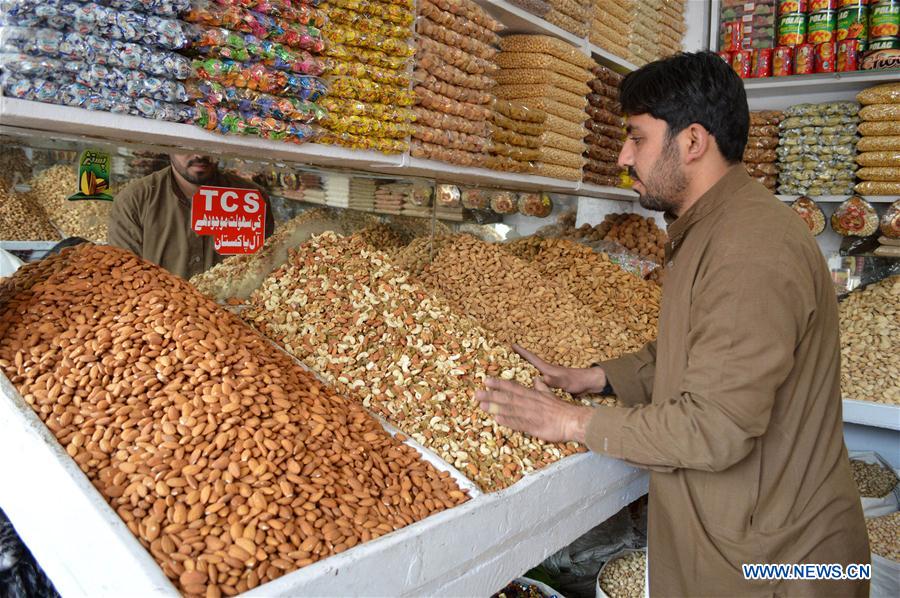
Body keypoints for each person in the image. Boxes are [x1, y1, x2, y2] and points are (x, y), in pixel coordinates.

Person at [476, 52, 869, 597]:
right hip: (751, 544)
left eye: (636, 138)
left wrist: (572, 423)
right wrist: (597, 379)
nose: (622, 155)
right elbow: (700, 351)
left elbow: (715, 428)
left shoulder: (750, 248)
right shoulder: (714, 227)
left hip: (781, 566)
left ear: (692, 142)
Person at [108, 153, 274, 279]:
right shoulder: (135, 200)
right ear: (169, 146)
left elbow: (265, 270)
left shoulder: (252, 198)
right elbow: (126, 280)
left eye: (208, 145)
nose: (199, 155)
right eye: (187, 146)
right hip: (160, 319)